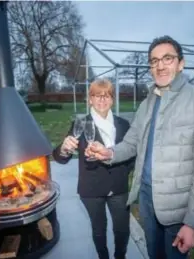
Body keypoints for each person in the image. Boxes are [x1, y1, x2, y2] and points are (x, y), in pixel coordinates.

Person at [85, 35, 194, 259]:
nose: (160, 65)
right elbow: (131, 142)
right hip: (147, 200)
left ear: (181, 63)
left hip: (178, 208)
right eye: (154, 61)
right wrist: (108, 152)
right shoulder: (148, 102)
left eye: (167, 58)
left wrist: (192, 222)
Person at [52, 79, 135, 259]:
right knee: (99, 230)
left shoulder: (123, 124)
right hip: (91, 189)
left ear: (112, 99)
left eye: (107, 96)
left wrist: (122, 171)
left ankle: (120, 256)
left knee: (122, 230)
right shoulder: (80, 124)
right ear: (90, 99)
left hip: (119, 188)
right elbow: (60, 157)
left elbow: (131, 154)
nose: (102, 100)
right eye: (97, 96)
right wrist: (65, 149)